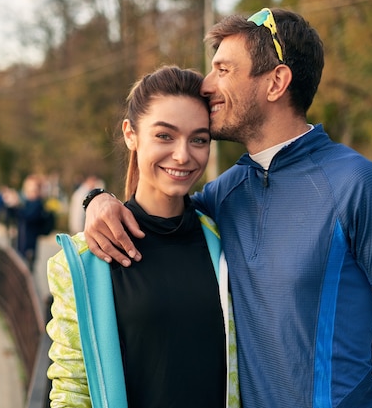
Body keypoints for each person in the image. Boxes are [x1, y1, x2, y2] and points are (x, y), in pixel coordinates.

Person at [83, 8, 372, 408]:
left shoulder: (359, 184)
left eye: (223, 69)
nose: (206, 84)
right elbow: (158, 208)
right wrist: (98, 200)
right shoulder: (225, 194)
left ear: (276, 82)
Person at [46, 65, 239, 408]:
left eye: (199, 139)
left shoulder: (228, 240)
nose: (183, 155)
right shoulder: (84, 260)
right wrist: (96, 198)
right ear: (131, 135)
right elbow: (72, 390)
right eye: (164, 136)